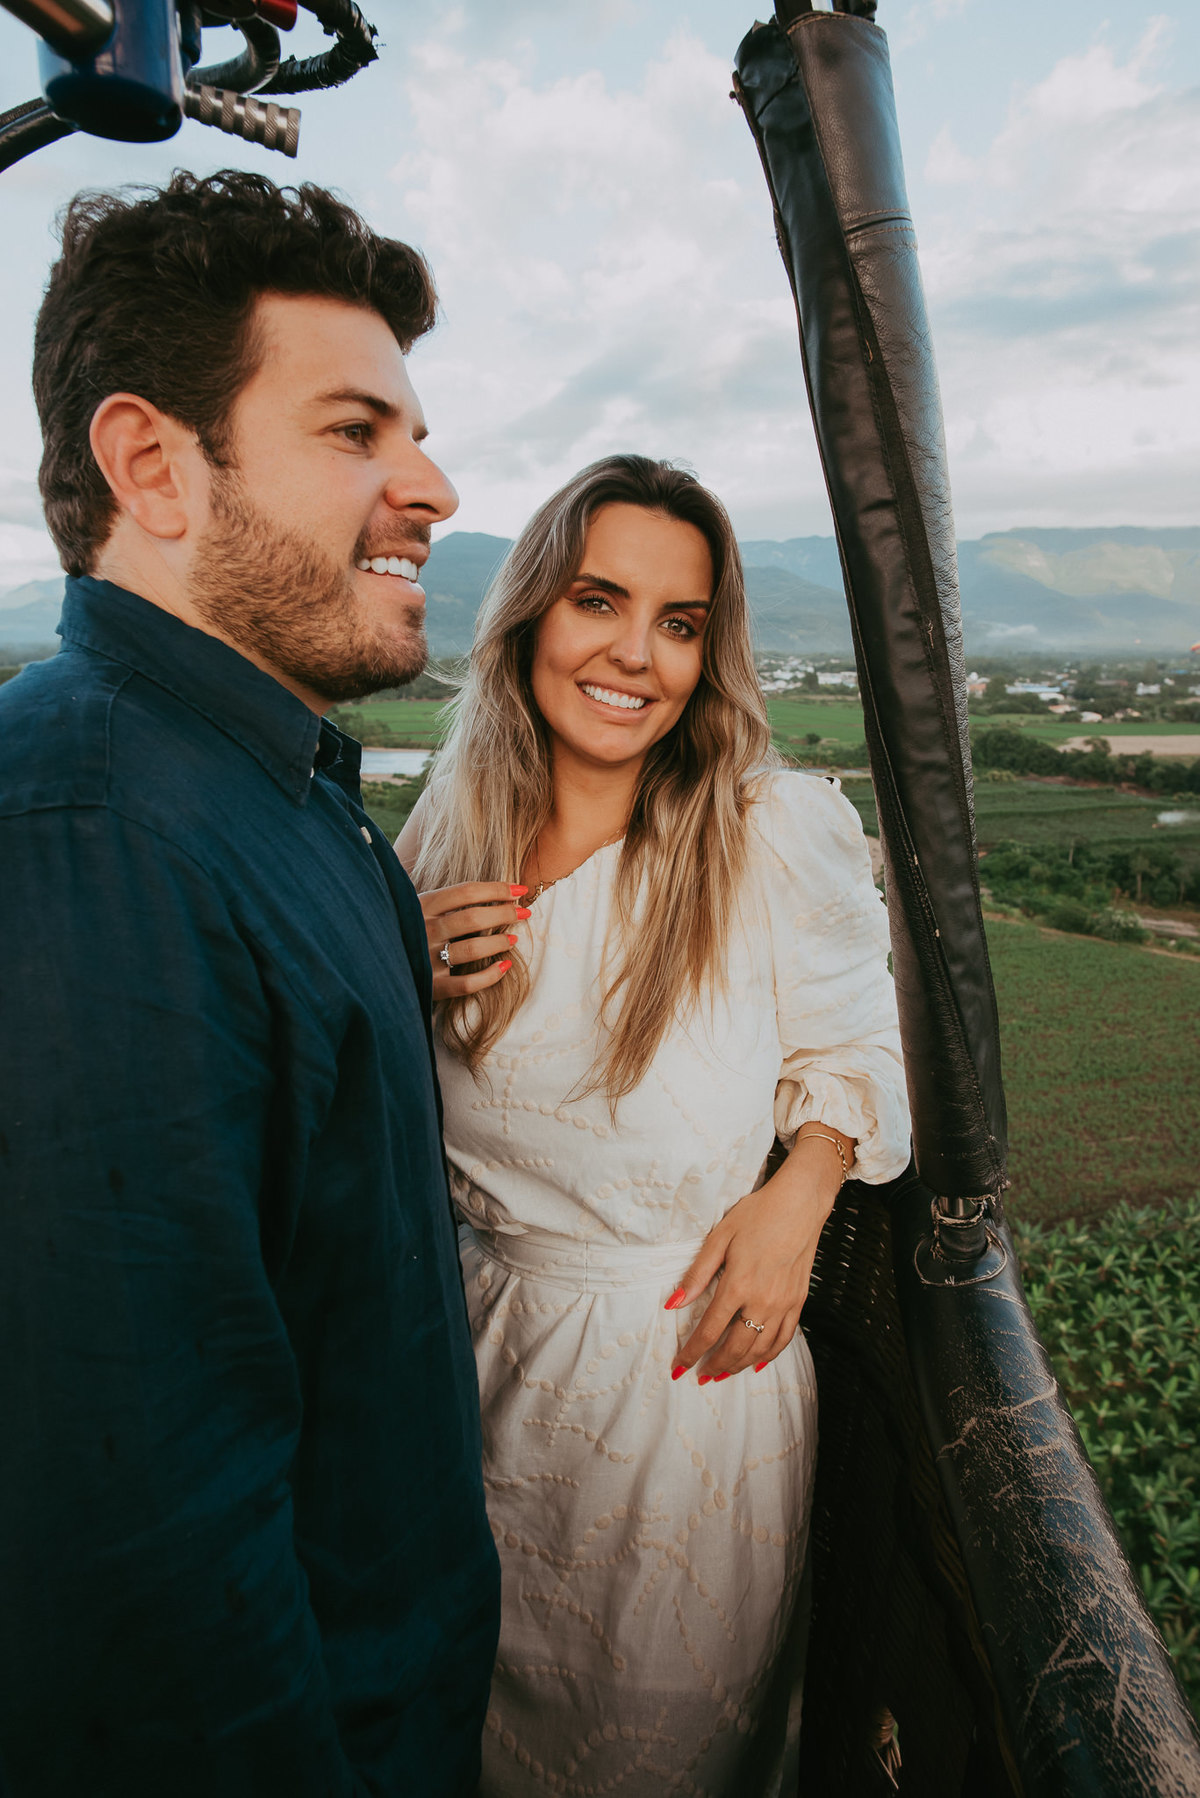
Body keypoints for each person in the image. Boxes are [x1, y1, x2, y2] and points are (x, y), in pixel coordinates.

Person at [0, 171, 499, 1797]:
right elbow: (140, 1570)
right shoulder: (90, 842)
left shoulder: (270, 793)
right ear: (152, 463)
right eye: (358, 432)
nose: (429, 483)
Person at [399, 455, 911, 1795]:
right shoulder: (442, 843)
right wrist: (397, 971)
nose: (637, 654)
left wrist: (801, 1192)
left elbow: (859, 1041)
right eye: (599, 600)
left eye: (681, 623)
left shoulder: (766, 832)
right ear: (529, 620)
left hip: (685, 1401)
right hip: (466, 1386)